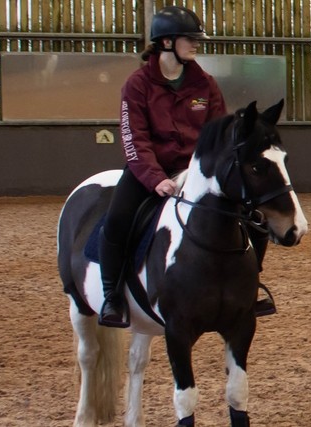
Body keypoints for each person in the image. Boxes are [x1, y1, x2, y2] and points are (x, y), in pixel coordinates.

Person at [98, 6, 228, 328]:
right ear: (167, 42)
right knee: (115, 221)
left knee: (248, 214)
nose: (197, 45)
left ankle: (250, 287)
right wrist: (156, 179)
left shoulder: (206, 84)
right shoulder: (137, 85)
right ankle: (112, 297)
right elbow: (134, 139)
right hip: (148, 172)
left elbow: (218, 133)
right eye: (191, 39)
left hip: (195, 172)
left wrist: (201, 172)